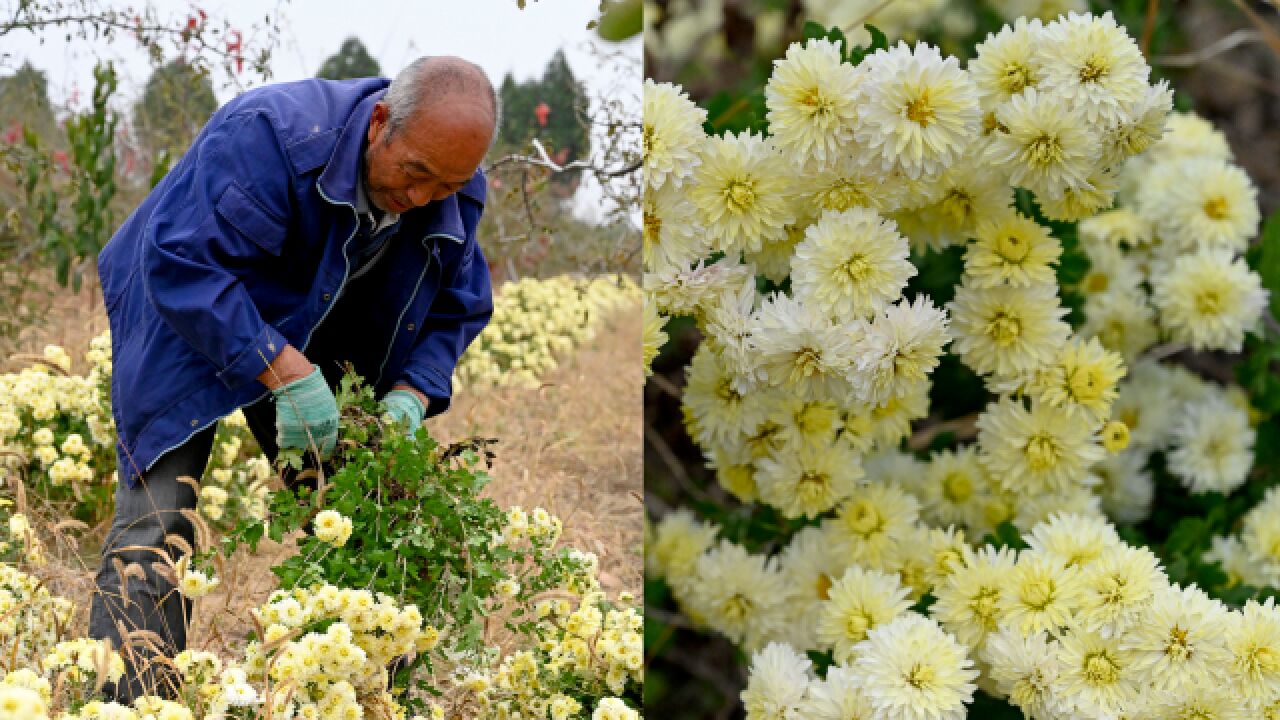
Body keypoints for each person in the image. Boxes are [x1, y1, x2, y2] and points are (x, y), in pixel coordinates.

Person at [88, 55, 499, 702]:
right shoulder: (270, 135)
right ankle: (136, 707)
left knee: (361, 519)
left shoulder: (450, 180)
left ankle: (345, 696)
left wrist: (411, 394)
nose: (423, 198)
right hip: (184, 307)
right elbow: (179, 261)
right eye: (415, 173)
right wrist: (280, 368)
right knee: (157, 524)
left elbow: (462, 302)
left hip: (314, 323)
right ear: (380, 123)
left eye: (446, 187)